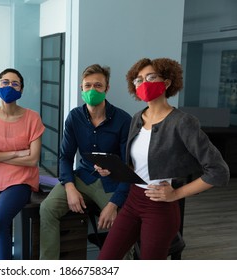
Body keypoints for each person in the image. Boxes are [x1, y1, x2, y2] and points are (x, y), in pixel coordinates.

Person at [98, 57, 230, 260]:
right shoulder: (137, 118)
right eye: (139, 80)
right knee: (105, 261)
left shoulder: (182, 122)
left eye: (151, 77)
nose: (144, 84)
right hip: (132, 200)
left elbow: (219, 171)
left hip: (160, 208)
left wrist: (176, 194)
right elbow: (139, 165)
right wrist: (113, 169)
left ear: (167, 82)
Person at [39, 64, 132, 259]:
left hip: (111, 182)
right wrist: (70, 188)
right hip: (82, 177)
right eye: (87, 85)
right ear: (81, 89)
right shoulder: (74, 117)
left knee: (125, 223)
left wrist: (114, 204)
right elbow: (65, 157)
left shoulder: (123, 120)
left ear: (107, 89)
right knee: (47, 208)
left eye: (98, 85)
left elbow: (127, 167)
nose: (92, 90)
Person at [0, 68, 45, 260]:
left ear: (21, 90)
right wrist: (16, 152)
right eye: (5, 82)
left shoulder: (32, 117)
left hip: (21, 180)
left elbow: (32, 159)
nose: (9, 86)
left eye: (15, 83)